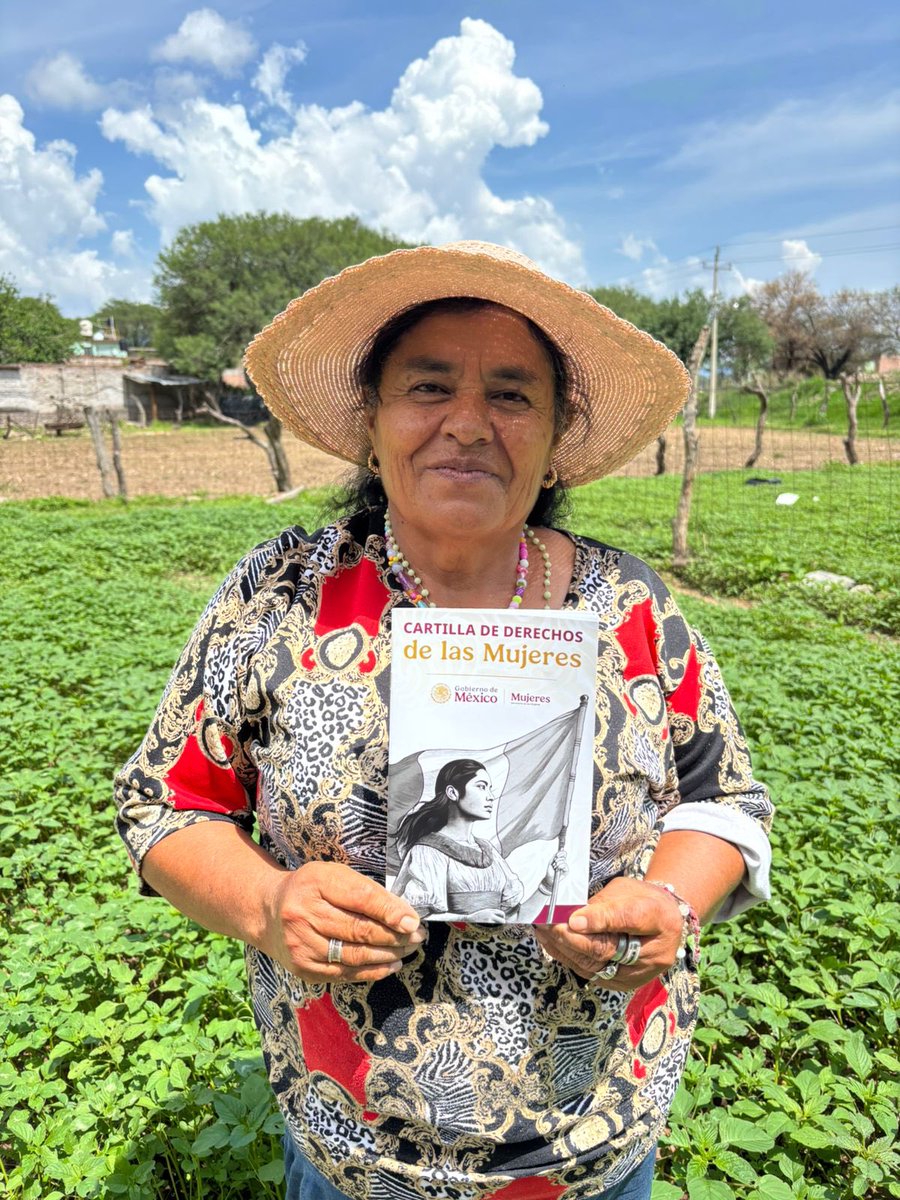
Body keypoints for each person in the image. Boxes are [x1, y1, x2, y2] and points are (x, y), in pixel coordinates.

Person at [115, 241, 773, 1200]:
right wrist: (267, 906)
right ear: (372, 425)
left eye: (512, 395)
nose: (467, 423)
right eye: (428, 388)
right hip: (356, 1152)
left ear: (556, 438)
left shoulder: (627, 605)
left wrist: (671, 902)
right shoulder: (282, 597)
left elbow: (726, 798)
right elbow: (165, 804)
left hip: (596, 1141)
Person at [391, 757, 566, 922]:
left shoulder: (488, 851)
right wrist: (467, 920)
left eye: (490, 788)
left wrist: (548, 884)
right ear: (452, 792)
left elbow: (516, 920)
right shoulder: (427, 852)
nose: (490, 796)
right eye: (481, 787)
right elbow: (412, 919)